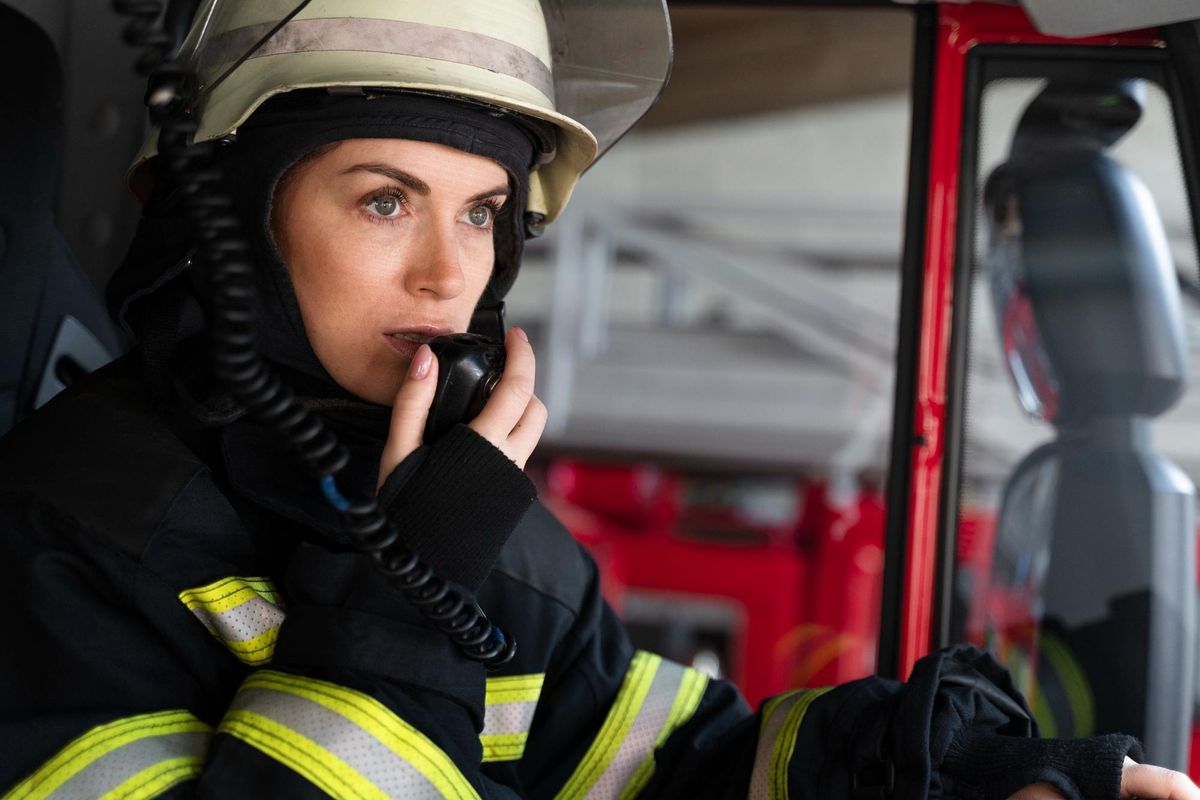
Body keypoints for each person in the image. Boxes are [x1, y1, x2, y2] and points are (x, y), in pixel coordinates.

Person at [0, 2, 1197, 798]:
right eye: (383, 200)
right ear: (226, 224)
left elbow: (675, 765)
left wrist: (969, 772)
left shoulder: (473, 522)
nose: (449, 274)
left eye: (481, 213)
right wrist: (408, 594)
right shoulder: (66, 530)